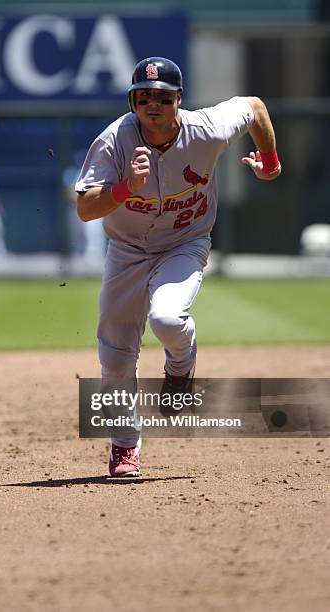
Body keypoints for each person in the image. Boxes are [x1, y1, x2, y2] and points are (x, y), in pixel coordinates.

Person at [75, 57, 281, 477]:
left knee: (168, 316)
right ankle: (124, 447)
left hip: (184, 243)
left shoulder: (206, 128)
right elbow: (84, 207)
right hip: (128, 249)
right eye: (143, 97)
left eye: (163, 97)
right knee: (115, 356)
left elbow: (255, 107)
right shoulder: (114, 141)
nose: (153, 104)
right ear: (133, 101)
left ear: (178, 100)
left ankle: (180, 367)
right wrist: (124, 188)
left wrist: (271, 162)